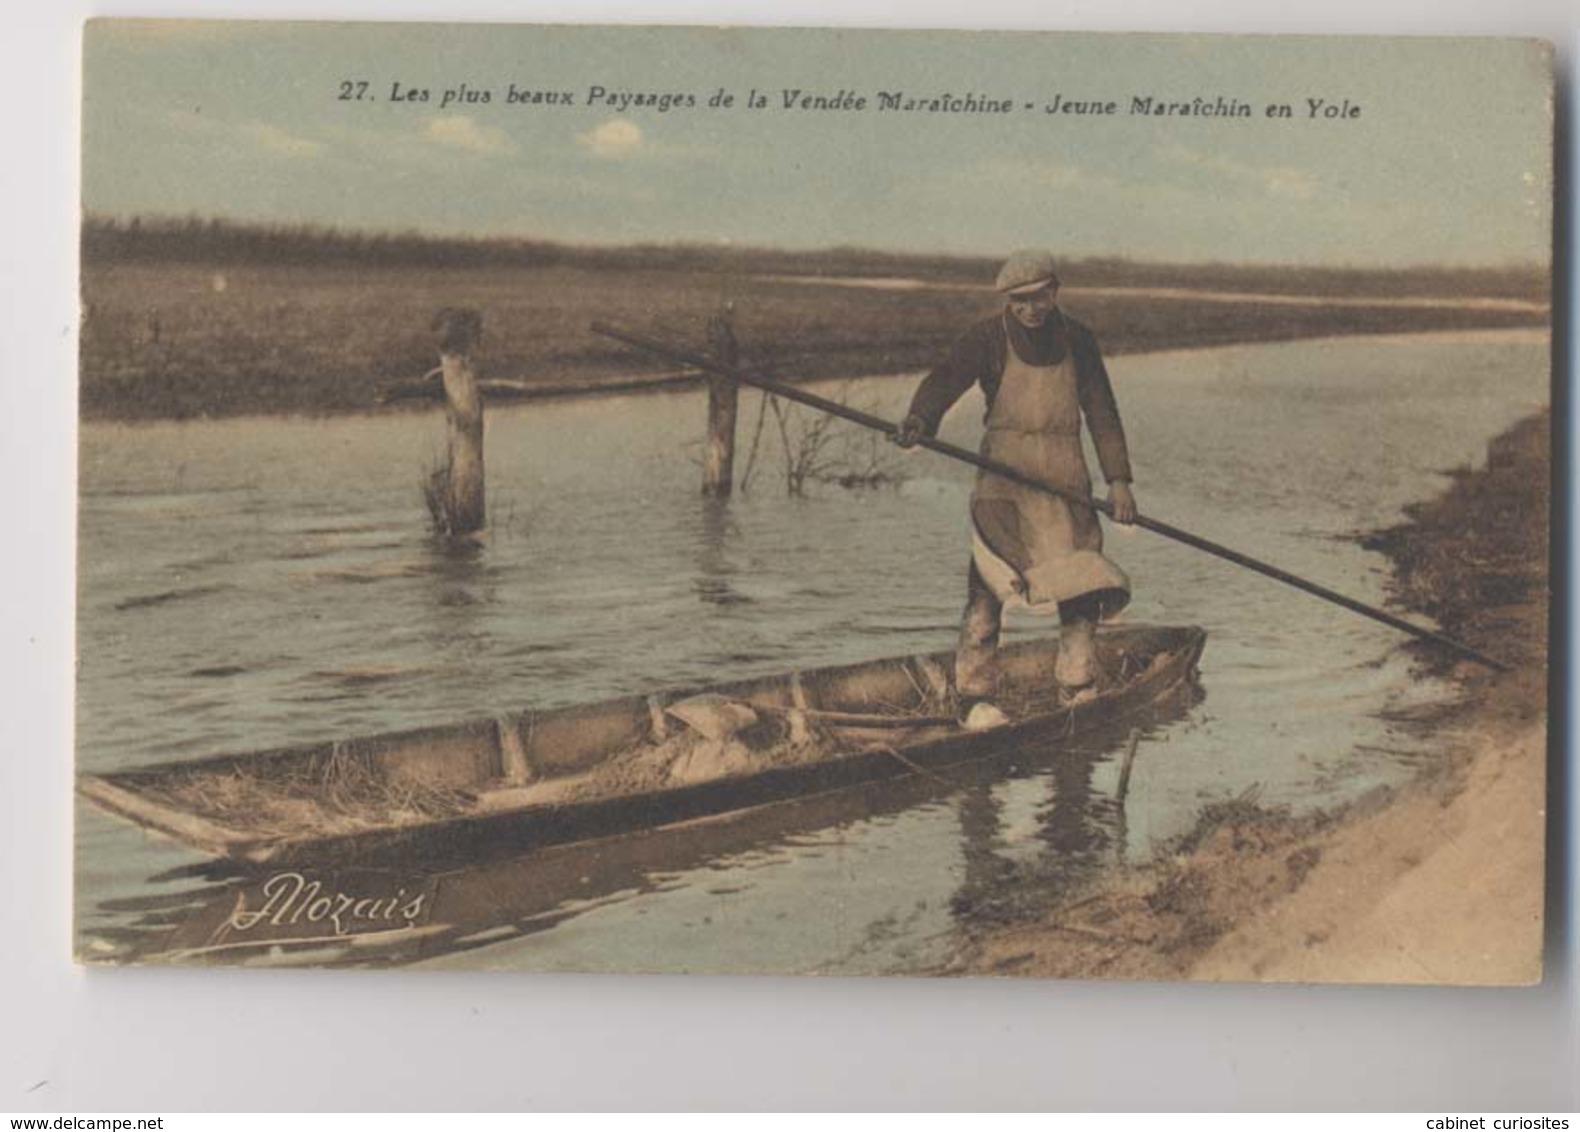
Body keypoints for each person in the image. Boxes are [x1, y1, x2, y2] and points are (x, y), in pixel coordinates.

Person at [894, 249, 1137, 724]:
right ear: (1007, 300)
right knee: (988, 585)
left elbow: (1103, 412)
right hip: (1004, 475)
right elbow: (947, 378)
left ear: (1055, 291)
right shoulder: (986, 337)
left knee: (1080, 582)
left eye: (1039, 298)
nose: (1030, 310)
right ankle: (975, 694)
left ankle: (1076, 684)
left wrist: (1119, 481)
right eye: (1019, 301)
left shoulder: (1079, 340)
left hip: (1065, 476)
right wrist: (920, 418)